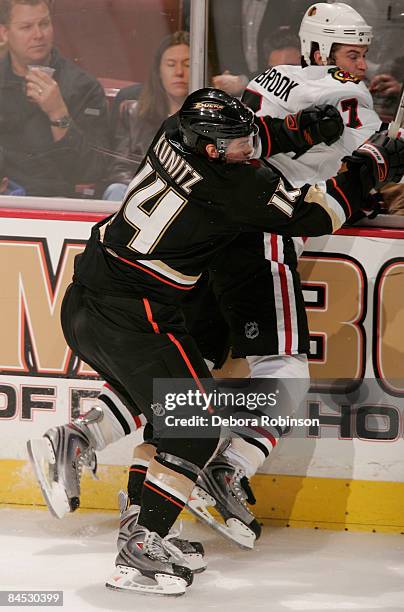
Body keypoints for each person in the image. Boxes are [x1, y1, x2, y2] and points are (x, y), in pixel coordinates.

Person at [26, 85, 404, 595]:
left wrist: (301, 129)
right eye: (239, 146)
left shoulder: (172, 134)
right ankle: (138, 551)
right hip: (135, 316)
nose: (249, 149)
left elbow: (249, 138)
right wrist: (375, 164)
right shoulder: (230, 186)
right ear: (213, 151)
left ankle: (120, 494)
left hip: (90, 297)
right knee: (195, 424)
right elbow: (317, 213)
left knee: (170, 414)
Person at [165, 2, 392, 549]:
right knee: (286, 367)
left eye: (363, 54)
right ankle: (231, 464)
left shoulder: (273, 78)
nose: (359, 65)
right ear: (320, 51)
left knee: (191, 370)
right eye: (350, 53)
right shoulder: (343, 97)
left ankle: (122, 464)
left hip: (212, 234)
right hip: (266, 230)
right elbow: (367, 169)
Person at [0, 0, 109, 197]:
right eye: (26, 27)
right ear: (4, 33)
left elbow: (93, 170)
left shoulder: (83, 87)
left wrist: (58, 112)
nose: (39, 35)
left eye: (44, 24)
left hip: (56, 203)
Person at [103, 31, 190, 202]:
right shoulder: (133, 112)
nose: (179, 72)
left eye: (187, 65)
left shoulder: (214, 116)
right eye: (171, 65)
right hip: (142, 194)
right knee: (116, 191)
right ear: (159, 71)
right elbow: (121, 169)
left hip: (190, 197)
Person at [210, 0, 309, 96]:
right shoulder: (219, 4)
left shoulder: (296, 5)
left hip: (281, 98)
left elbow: (294, 65)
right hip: (232, 98)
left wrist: (245, 82)